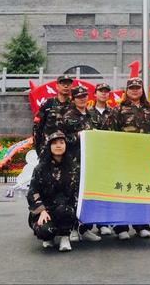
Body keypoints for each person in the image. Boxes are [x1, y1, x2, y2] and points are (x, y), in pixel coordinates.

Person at [108, 77, 150, 240]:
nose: (135, 90)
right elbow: (111, 134)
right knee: (123, 191)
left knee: (140, 191)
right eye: (132, 88)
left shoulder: (149, 110)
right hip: (124, 157)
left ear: (142, 91)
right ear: (126, 91)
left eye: (138, 88)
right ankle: (121, 227)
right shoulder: (118, 110)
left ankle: (141, 225)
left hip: (143, 158)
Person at [62, 85, 101, 242]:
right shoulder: (68, 116)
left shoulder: (93, 114)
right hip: (74, 161)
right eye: (79, 97)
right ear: (73, 99)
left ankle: (85, 229)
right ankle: (72, 228)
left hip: (91, 161)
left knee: (88, 195)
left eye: (84, 96)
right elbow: (62, 138)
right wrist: (78, 136)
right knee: (73, 195)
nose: (82, 99)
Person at [27, 131, 77, 252]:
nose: (58, 145)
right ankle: (49, 236)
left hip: (65, 209)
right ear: (49, 146)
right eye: (54, 143)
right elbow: (32, 192)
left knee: (64, 210)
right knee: (45, 231)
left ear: (66, 145)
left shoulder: (74, 168)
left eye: (61, 142)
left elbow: (78, 191)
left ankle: (65, 237)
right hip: (46, 209)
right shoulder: (40, 169)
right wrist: (42, 210)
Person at [87, 82, 112, 236]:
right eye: (100, 91)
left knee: (107, 189)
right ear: (95, 94)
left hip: (108, 157)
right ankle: (88, 224)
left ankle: (104, 222)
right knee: (92, 190)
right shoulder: (87, 113)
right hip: (92, 157)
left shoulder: (114, 113)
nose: (103, 94)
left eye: (106, 91)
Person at [33, 74, 74, 156]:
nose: (66, 86)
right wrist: (38, 148)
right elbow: (37, 127)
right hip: (48, 149)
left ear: (71, 87)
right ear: (57, 86)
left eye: (68, 84)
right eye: (63, 84)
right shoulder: (48, 103)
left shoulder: (74, 105)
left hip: (69, 150)